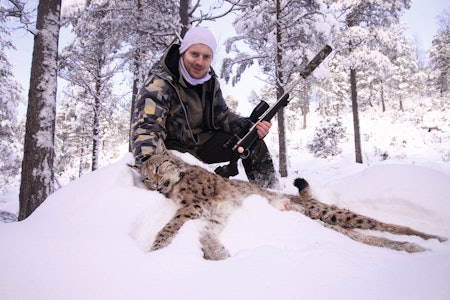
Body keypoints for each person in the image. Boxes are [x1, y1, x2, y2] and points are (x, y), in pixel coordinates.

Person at [131, 27, 277, 188]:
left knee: (252, 140)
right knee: (197, 185)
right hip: (173, 151)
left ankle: (271, 193)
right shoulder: (159, 83)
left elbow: (222, 116)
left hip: (202, 144)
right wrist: (150, 166)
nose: (199, 62)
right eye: (194, 54)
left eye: (206, 57)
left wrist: (247, 125)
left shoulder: (210, 81)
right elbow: (146, 128)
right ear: (183, 52)